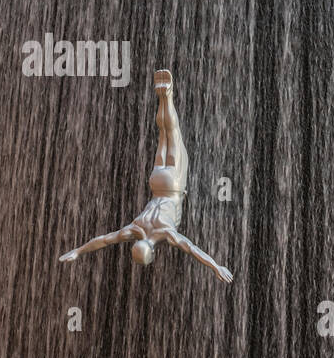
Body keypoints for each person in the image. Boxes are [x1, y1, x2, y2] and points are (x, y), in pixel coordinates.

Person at [60, 69, 231, 281]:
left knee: (173, 133)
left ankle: (166, 95)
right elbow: (104, 240)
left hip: (174, 185)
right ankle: (162, 97)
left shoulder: (166, 233)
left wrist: (216, 266)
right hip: (157, 181)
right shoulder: (133, 229)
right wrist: (77, 251)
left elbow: (192, 249)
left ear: (152, 253)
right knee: (164, 134)